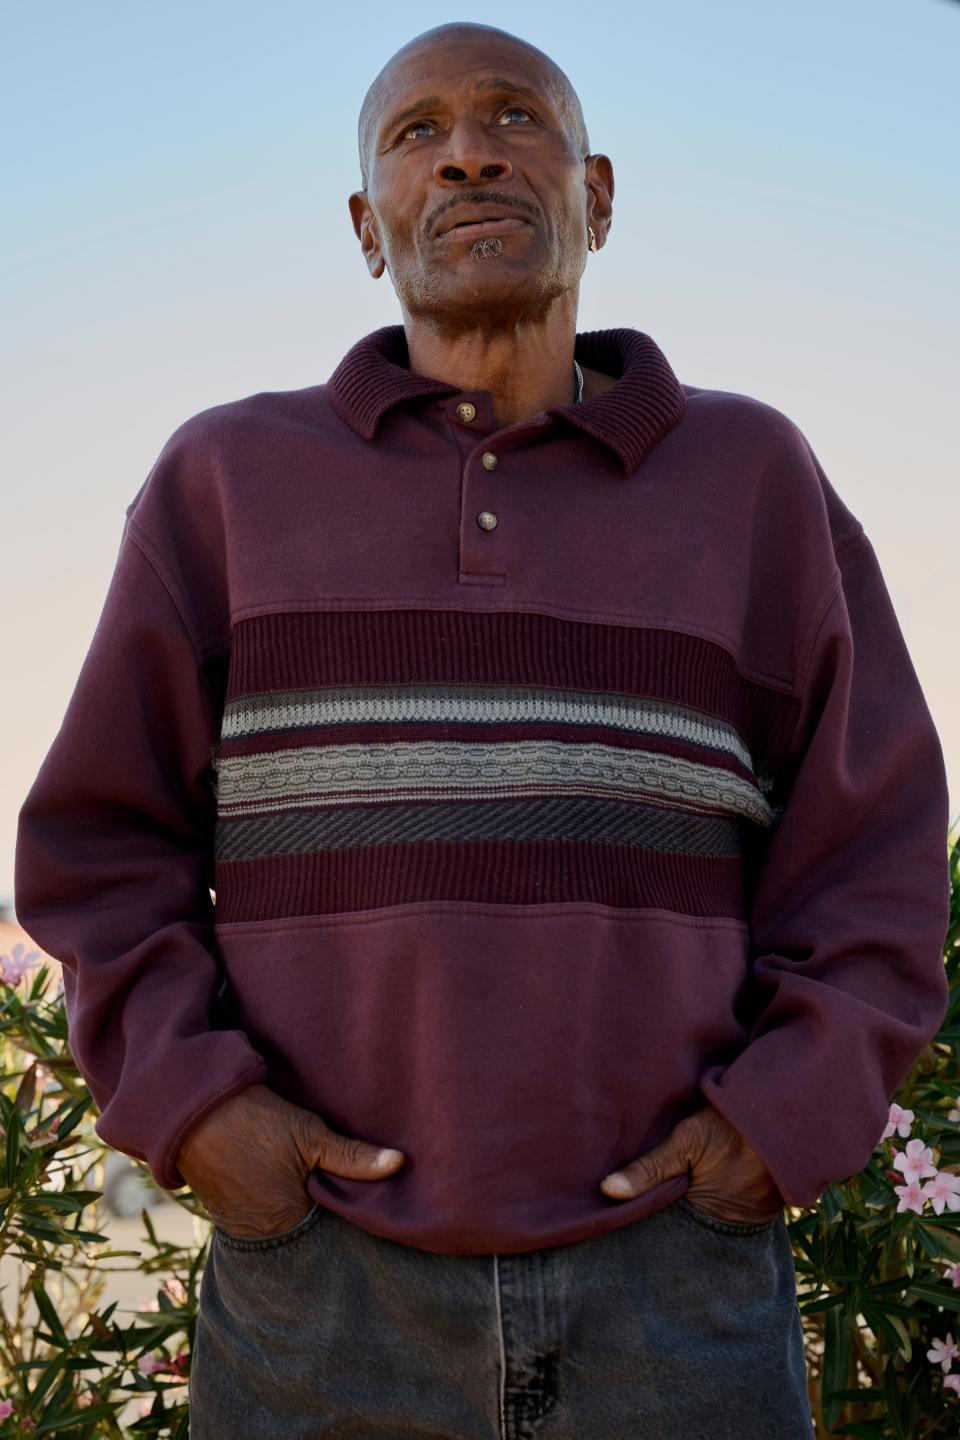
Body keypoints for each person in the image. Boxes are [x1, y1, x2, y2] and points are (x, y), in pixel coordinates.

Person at [14, 21, 951, 1439]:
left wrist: (771, 1130)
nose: (465, 150)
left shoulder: (755, 478)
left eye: (517, 117)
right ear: (364, 223)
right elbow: (99, 844)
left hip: (674, 1291)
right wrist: (207, 1124)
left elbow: (873, 846)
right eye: (415, 133)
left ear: (601, 192)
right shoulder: (226, 481)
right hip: (319, 1291)